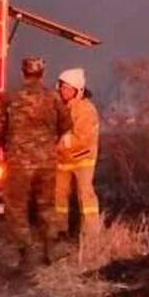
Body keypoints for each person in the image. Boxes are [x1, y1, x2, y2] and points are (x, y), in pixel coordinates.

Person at [0, 57, 73, 270]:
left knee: (17, 207)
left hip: (18, 162)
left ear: (23, 72)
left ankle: (25, 253)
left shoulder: (10, 97)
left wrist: (8, 145)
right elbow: (66, 124)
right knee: (46, 205)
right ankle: (51, 250)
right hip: (46, 162)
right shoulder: (53, 97)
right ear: (42, 73)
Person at [55, 68, 100, 240]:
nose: (63, 91)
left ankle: (92, 232)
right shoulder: (61, 107)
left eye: (67, 88)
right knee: (59, 196)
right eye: (62, 87)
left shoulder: (86, 110)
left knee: (85, 195)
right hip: (63, 159)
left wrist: (57, 144)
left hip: (82, 160)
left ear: (78, 90)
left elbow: (81, 138)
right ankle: (60, 230)